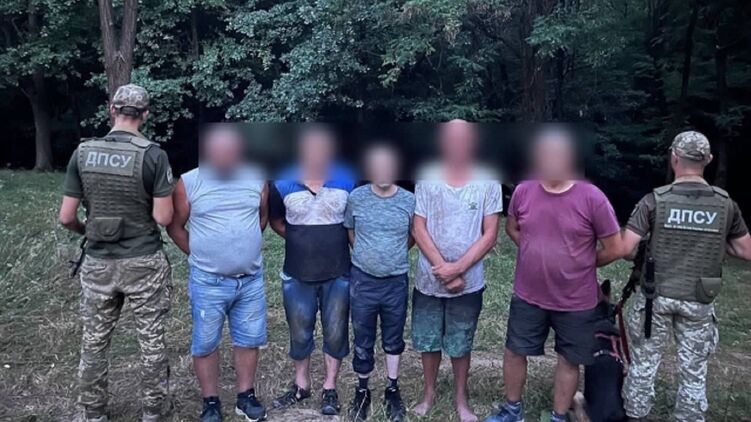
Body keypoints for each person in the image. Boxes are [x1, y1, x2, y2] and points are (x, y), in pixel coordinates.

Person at [485, 127, 622, 422]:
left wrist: (580, 263)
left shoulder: (592, 197)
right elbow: (512, 227)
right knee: (514, 351)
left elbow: (615, 247)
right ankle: (512, 410)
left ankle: (559, 416)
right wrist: (533, 250)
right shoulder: (524, 190)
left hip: (576, 300)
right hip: (528, 294)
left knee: (569, 359)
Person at [58, 84, 175, 422]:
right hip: (143, 262)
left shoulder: (83, 153)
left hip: (98, 261)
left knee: (94, 342)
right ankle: (153, 412)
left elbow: (66, 217)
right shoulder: (153, 155)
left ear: (112, 109)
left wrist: (89, 230)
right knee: (151, 340)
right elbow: (163, 218)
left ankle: (93, 412)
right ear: (145, 115)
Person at [619, 131, 751, 422]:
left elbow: (626, 249)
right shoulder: (725, 204)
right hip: (699, 298)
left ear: (674, 157)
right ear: (709, 160)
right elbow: (746, 250)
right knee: (694, 371)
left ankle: (637, 415)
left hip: (655, 296)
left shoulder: (654, 201)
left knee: (643, 365)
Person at [167, 126, 269, 422]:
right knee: (206, 342)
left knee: (249, 339)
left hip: (249, 279)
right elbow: (175, 226)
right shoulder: (189, 182)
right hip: (208, 281)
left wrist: (243, 247)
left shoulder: (257, 178)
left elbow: (261, 217)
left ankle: (245, 397)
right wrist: (201, 255)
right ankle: (210, 402)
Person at [411, 120, 502, 422]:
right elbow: (419, 227)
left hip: (468, 281)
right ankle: (428, 394)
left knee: (461, 342)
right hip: (429, 278)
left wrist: (458, 269)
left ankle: (461, 399)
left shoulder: (488, 180)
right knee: (428, 341)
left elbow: (490, 233)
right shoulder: (427, 177)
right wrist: (443, 269)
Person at [268, 126, 354, 416]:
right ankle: (301, 385)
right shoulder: (282, 181)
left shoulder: (348, 179)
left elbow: (353, 220)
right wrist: (302, 239)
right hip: (297, 273)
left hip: (338, 272)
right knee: (299, 332)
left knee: (336, 332)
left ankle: (330, 387)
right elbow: (277, 221)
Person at [344, 144, 415, 422]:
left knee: (393, 337)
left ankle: (392, 388)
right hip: (363, 280)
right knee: (362, 336)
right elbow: (350, 231)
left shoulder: (409, 201)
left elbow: (414, 235)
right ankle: (362, 390)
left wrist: (392, 255)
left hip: (395, 281)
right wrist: (367, 255)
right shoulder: (356, 198)